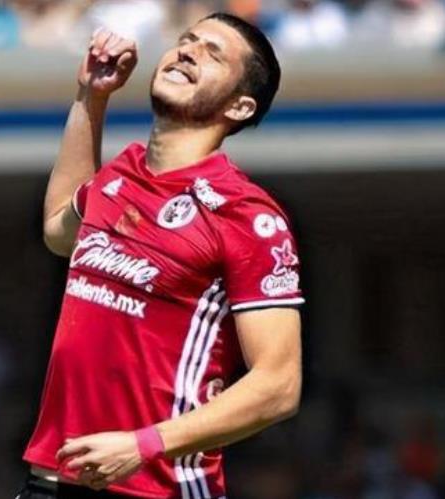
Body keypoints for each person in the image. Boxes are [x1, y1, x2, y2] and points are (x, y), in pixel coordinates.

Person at [18, 13, 303, 499]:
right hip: (50, 482)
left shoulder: (247, 215)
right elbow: (58, 232)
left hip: (157, 488)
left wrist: (144, 444)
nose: (188, 51)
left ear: (239, 106)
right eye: (187, 40)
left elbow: (279, 385)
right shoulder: (119, 174)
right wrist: (91, 96)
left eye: (213, 54)